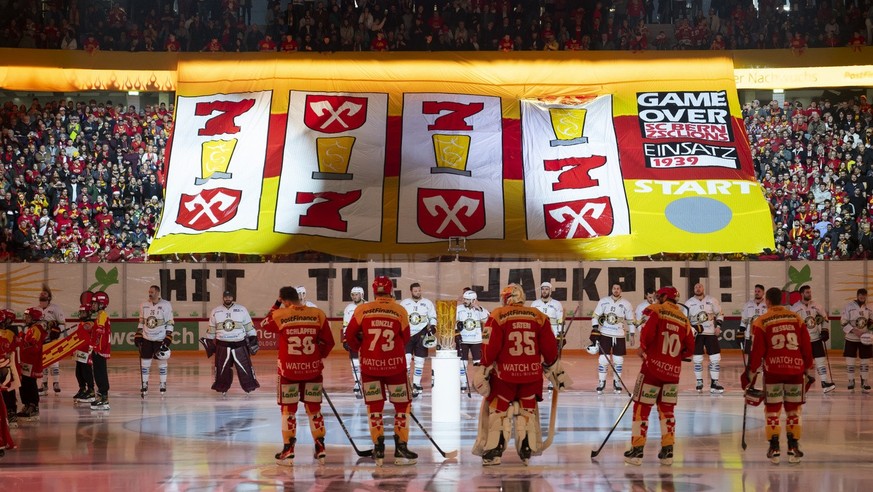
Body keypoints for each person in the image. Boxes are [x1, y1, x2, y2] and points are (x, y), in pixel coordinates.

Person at [472, 283, 559, 466]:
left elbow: (490, 347)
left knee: (498, 410)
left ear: (507, 298)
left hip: (505, 377)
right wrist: (551, 363)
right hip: (532, 376)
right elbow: (550, 348)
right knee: (528, 410)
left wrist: (484, 366)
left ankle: (494, 451)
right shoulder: (539, 316)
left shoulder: (497, 315)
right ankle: (527, 448)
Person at [345, 276, 418, 467]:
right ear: (391, 290)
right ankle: (401, 449)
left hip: (370, 367)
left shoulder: (363, 309)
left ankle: (378, 449)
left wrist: (361, 347)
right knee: (402, 407)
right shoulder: (399, 309)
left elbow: (349, 335)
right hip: (396, 368)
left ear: (373, 290)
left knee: (374, 408)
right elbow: (406, 337)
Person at [261, 286, 334, 466]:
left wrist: (276, 304)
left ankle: (289, 449)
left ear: (285, 301)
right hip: (313, 371)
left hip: (289, 372)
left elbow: (265, 322)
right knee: (314, 410)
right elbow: (329, 342)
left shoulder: (281, 314)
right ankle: (320, 447)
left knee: (288, 411)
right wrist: (317, 356)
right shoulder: (317, 314)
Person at [624, 286, 694, 466]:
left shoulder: (655, 310)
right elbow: (690, 350)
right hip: (672, 374)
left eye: (658, 296)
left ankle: (637, 452)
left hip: (652, 370)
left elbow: (647, 333)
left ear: (664, 297)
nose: (656, 299)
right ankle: (668, 451)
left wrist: (643, 348)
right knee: (667, 411)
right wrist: (675, 357)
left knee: (641, 408)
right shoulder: (684, 320)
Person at [744, 287, 814, 464]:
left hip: (773, 371)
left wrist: (750, 373)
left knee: (772, 411)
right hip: (795, 371)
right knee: (793, 411)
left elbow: (757, 350)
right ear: (782, 300)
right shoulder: (796, 318)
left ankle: (774, 448)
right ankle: (793, 447)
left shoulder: (762, 321)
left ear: (767, 301)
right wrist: (808, 367)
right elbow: (806, 345)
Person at [205, 290, 260, 396]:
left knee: (245, 367)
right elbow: (211, 328)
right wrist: (209, 339)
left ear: (233, 297)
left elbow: (249, 325)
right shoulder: (216, 311)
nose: (228, 299)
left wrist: (253, 336)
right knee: (222, 368)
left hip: (239, 343)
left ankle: (249, 386)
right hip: (222, 344)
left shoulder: (242, 310)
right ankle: (222, 387)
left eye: (230, 297)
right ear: (223, 298)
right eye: (226, 297)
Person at [590, 283, 635, 394]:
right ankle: (601, 382)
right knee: (603, 360)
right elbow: (595, 315)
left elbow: (630, 320)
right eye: (614, 288)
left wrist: (632, 334)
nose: (616, 290)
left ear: (621, 290)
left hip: (619, 335)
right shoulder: (603, 301)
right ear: (611, 289)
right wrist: (595, 328)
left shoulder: (626, 304)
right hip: (605, 333)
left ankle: (617, 382)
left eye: (618, 288)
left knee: (618, 360)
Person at [790, 285, 835, 393]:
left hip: (816, 338)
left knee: (821, 360)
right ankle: (799, 383)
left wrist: (824, 330)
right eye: (807, 292)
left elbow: (825, 318)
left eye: (810, 292)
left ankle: (824, 382)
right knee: (800, 362)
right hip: (802, 341)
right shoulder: (794, 308)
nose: (810, 294)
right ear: (801, 294)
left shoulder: (816, 306)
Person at [135, 285, 174, 398]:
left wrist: (168, 337)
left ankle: (162, 383)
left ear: (157, 292)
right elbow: (141, 321)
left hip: (160, 338)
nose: (150, 294)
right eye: (149, 292)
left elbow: (170, 322)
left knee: (161, 362)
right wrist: (138, 334)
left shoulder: (166, 305)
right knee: (145, 362)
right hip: (147, 338)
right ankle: (145, 383)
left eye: (152, 292)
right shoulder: (144, 305)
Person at [685, 283, 725, 393]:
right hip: (697, 335)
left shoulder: (712, 300)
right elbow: (684, 320)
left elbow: (720, 313)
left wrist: (718, 326)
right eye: (696, 287)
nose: (698, 288)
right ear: (693, 289)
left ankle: (714, 383)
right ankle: (699, 382)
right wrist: (689, 332)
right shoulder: (689, 303)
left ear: (703, 288)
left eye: (700, 286)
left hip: (711, 333)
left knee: (715, 358)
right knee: (697, 359)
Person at [399, 282, 436, 398]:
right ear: (411, 291)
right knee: (406, 359)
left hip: (422, 333)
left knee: (420, 361)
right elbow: (399, 317)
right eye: (415, 291)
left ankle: (416, 383)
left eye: (419, 290)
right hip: (407, 334)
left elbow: (433, 316)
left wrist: (433, 326)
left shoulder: (427, 303)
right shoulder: (404, 303)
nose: (418, 292)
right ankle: (406, 383)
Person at [16, 308, 47, 421]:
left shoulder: (37, 329)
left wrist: (21, 341)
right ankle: (27, 404)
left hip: (32, 362)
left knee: (30, 383)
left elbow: (34, 347)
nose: (25, 319)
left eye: (28, 317)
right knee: (24, 383)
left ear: (34, 318)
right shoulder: (31, 329)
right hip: (26, 361)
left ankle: (33, 406)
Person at [455, 289, 489, 392]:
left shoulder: (479, 310)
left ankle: (479, 383)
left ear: (473, 300)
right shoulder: (458, 309)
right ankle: (463, 383)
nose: (464, 301)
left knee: (478, 363)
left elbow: (487, 320)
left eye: (467, 299)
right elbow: (453, 322)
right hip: (463, 340)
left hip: (476, 340)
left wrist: (478, 308)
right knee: (462, 363)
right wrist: (456, 334)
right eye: (464, 299)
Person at [840, 288, 872, 392]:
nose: (862, 298)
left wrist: (869, 331)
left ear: (866, 296)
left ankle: (864, 381)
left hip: (865, 339)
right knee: (850, 360)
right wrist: (854, 331)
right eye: (860, 296)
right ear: (857, 296)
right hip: (851, 338)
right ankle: (851, 380)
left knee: (865, 361)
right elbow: (843, 322)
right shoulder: (848, 307)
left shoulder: (870, 307)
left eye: (864, 296)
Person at [38, 285, 67, 396]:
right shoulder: (37, 309)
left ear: (49, 299)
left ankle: (56, 382)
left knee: (54, 361)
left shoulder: (56, 308)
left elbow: (62, 323)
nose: (42, 301)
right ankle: (44, 384)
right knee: (43, 362)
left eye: (44, 299)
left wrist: (57, 331)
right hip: (41, 340)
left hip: (52, 339)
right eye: (41, 299)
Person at [87, 291, 111, 410]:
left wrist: (94, 346)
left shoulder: (102, 315)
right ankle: (101, 396)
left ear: (101, 304)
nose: (93, 305)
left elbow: (99, 332)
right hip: (99, 349)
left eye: (95, 303)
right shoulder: (101, 315)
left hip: (100, 350)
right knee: (98, 372)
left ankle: (104, 397)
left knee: (100, 373)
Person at [741, 284, 768, 391]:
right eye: (755, 291)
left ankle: (766, 385)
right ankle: (751, 384)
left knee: (764, 362)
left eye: (759, 291)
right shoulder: (748, 305)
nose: (757, 293)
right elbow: (743, 320)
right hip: (750, 337)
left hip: (763, 337)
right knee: (750, 363)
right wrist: (741, 331)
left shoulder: (767, 305)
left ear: (763, 293)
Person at [342, 286, 366, 398]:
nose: (355, 296)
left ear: (362, 295)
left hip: (367, 335)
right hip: (353, 336)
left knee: (369, 359)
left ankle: (368, 381)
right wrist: (345, 339)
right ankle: (357, 382)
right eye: (353, 294)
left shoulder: (368, 306)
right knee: (354, 359)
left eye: (357, 294)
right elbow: (345, 324)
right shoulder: (349, 308)